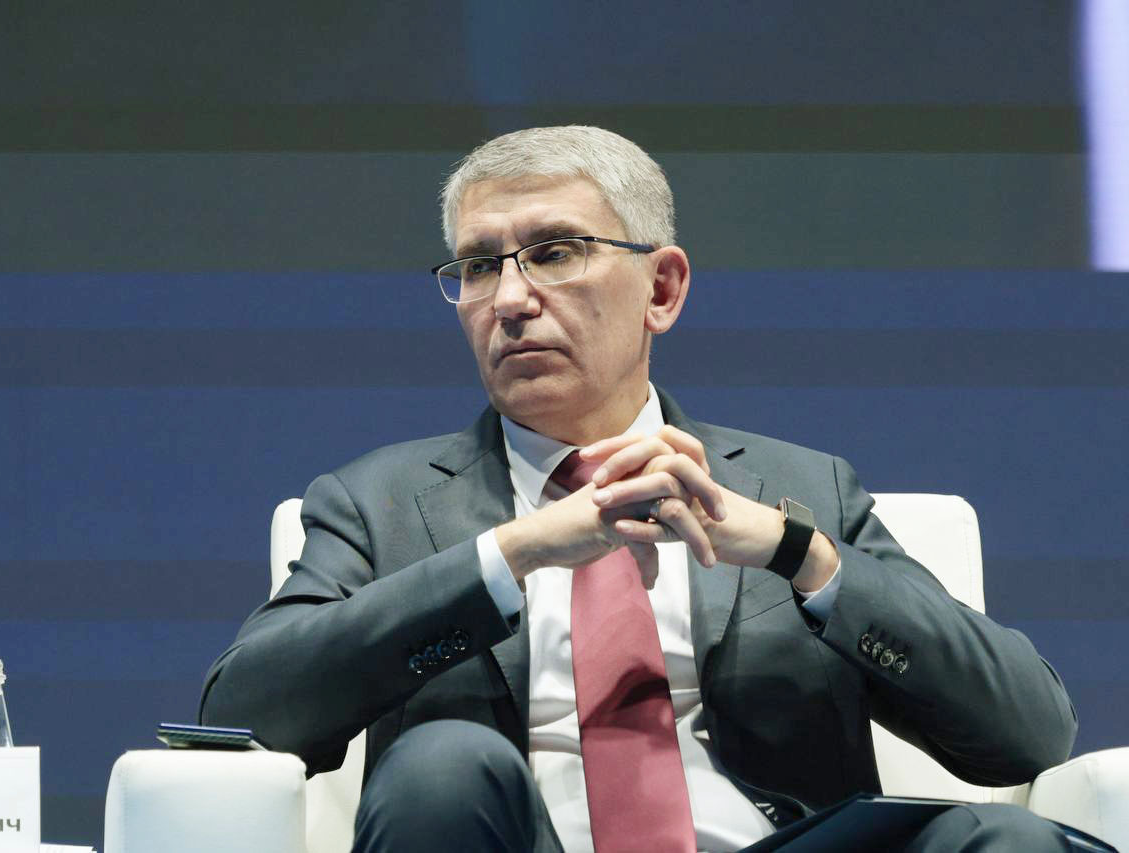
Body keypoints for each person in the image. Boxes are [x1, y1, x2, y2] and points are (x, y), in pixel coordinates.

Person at [200, 126, 1079, 851]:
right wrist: (515, 551)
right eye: (478, 266)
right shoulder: (378, 502)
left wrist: (798, 553)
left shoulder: (800, 488)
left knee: (1012, 840)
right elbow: (246, 715)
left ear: (661, 288)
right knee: (441, 761)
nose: (509, 299)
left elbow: (1029, 734)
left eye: (553, 253)